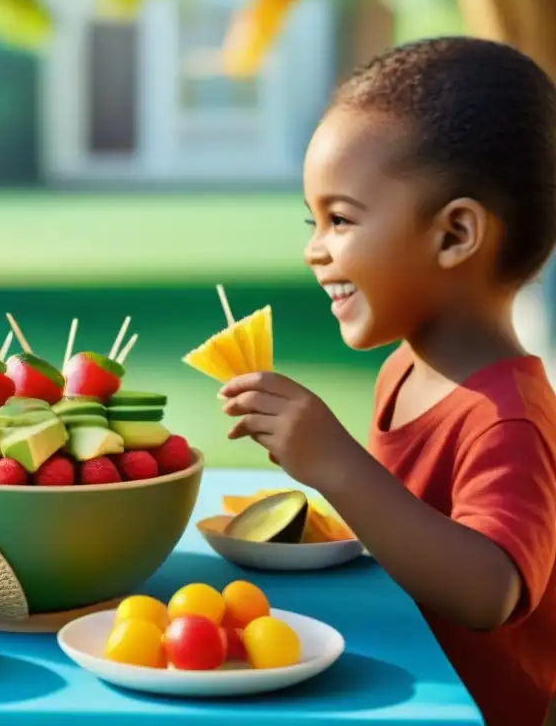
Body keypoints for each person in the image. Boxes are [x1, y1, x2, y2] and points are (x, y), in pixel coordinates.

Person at [220, 36, 556, 726]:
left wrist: (337, 465)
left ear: (456, 234)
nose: (314, 249)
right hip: (392, 686)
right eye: (311, 221)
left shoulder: (507, 419)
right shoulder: (403, 370)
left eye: (339, 219)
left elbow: (491, 590)